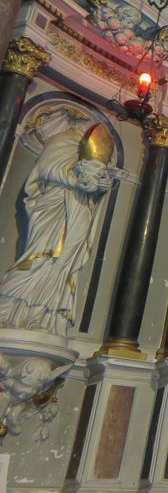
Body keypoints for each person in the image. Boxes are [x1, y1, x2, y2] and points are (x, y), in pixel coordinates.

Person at [0, 124, 113, 337]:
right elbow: (45, 169)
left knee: (63, 266)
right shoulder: (63, 140)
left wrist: (99, 187)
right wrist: (75, 179)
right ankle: (6, 312)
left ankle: (46, 317)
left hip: (79, 213)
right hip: (52, 210)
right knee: (39, 258)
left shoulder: (88, 165)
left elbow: (93, 191)